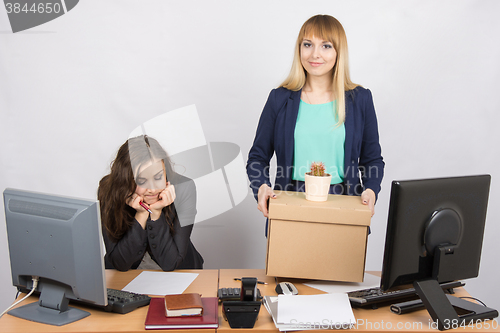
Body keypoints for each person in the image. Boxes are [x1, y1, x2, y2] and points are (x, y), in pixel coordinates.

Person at [247, 14, 384, 223]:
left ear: (339, 52)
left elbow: (372, 159)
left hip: (344, 204)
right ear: (299, 49)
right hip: (290, 201)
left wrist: (371, 190)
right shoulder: (279, 99)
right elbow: (257, 157)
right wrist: (262, 186)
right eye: (308, 44)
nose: (315, 54)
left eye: (326, 46)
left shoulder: (360, 99)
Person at [98, 135, 203, 271]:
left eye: (158, 177)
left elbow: (170, 262)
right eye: (142, 181)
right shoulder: (109, 190)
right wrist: (141, 215)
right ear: (126, 179)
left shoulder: (184, 187)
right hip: (127, 274)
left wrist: (155, 214)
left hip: (178, 272)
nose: (153, 189)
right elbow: (119, 263)